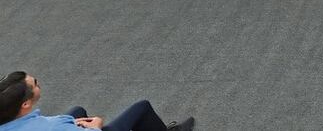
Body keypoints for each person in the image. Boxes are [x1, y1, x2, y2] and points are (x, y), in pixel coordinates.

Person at [0, 70, 194, 130]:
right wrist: (96, 126)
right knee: (142, 108)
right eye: (35, 84)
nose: (38, 83)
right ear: (25, 104)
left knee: (77, 111)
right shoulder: (53, 126)